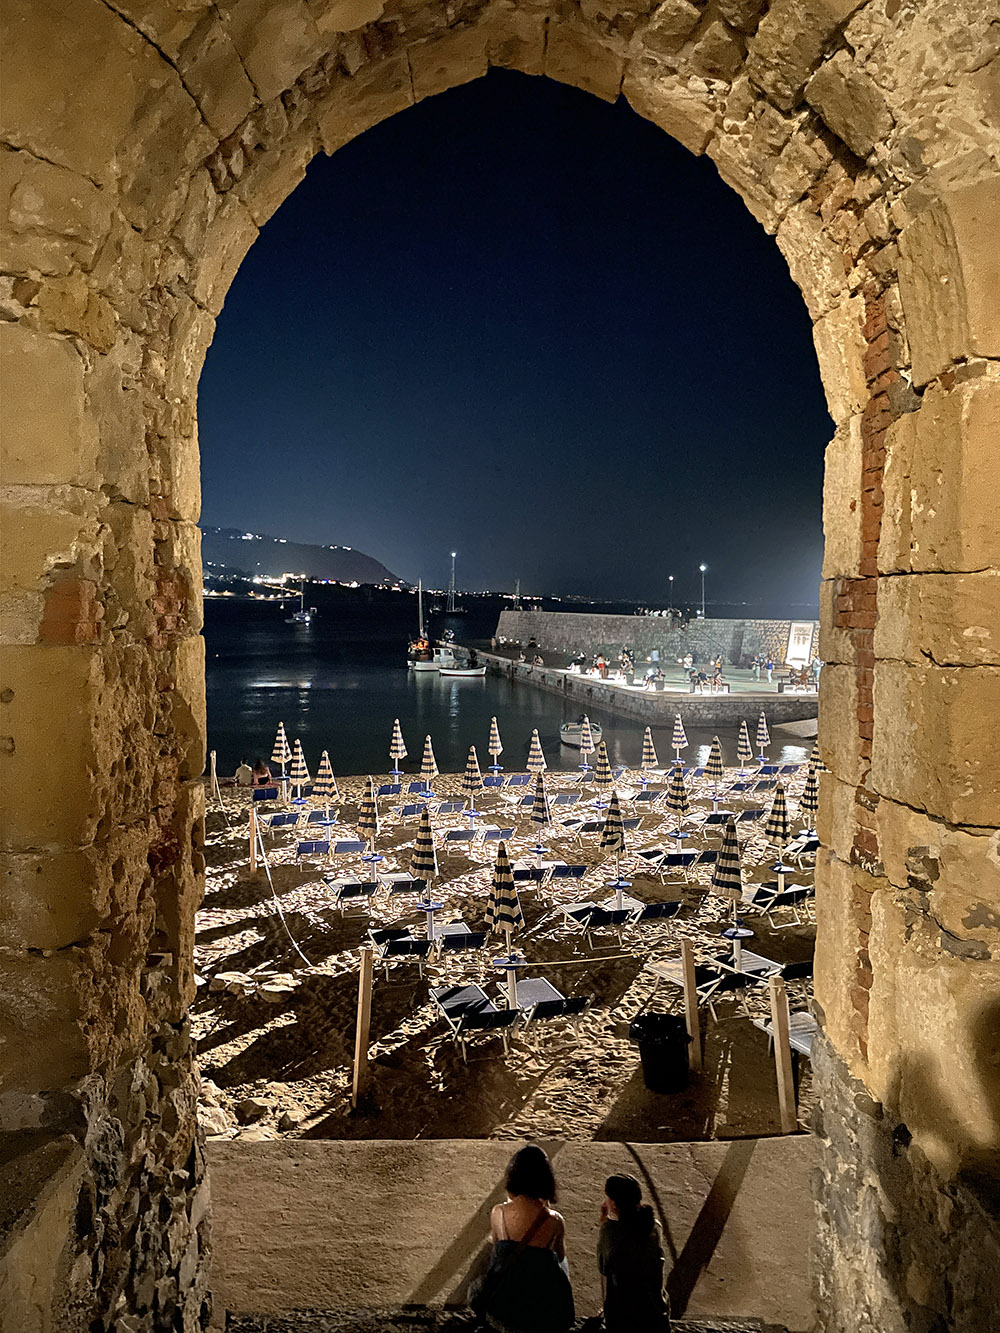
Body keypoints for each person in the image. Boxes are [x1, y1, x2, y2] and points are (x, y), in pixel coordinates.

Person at [470, 1145, 575, 1333]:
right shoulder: (555, 1220)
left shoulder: (498, 1212)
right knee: (561, 1263)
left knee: (500, 1253)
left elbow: (496, 1249)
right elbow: (559, 1257)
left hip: (505, 1303)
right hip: (540, 1304)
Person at [597, 1173, 670, 1332]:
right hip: (656, 1313)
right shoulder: (654, 1226)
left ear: (614, 1204)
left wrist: (604, 1222)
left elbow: (604, 1268)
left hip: (624, 1319)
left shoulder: (610, 1232)